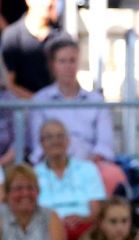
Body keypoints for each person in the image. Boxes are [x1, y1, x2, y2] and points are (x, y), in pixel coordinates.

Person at [29, 39, 125, 196]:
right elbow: (37, 146)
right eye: (62, 61)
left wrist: (84, 167)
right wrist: (60, 165)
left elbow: (105, 145)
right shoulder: (40, 101)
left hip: (91, 164)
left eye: (72, 60)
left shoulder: (96, 101)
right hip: (52, 163)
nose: (68, 66)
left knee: (113, 175)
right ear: (53, 65)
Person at [34, 119, 106, 240]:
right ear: (41, 143)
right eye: (49, 137)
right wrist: (57, 223)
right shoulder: (33, 174)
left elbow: (96, 209)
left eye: (60, 136)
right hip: (46, 230)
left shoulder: (87, 168)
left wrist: (83, 219)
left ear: (68, 140)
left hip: (83, 229)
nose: (55, 141)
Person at [1, 0, 67, 98]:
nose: (47, 3)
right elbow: (9, 84)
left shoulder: (61, 37)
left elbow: (67, 79)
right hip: (22, 108)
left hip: (54, 107)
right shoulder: (12, 36)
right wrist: (37, 102)